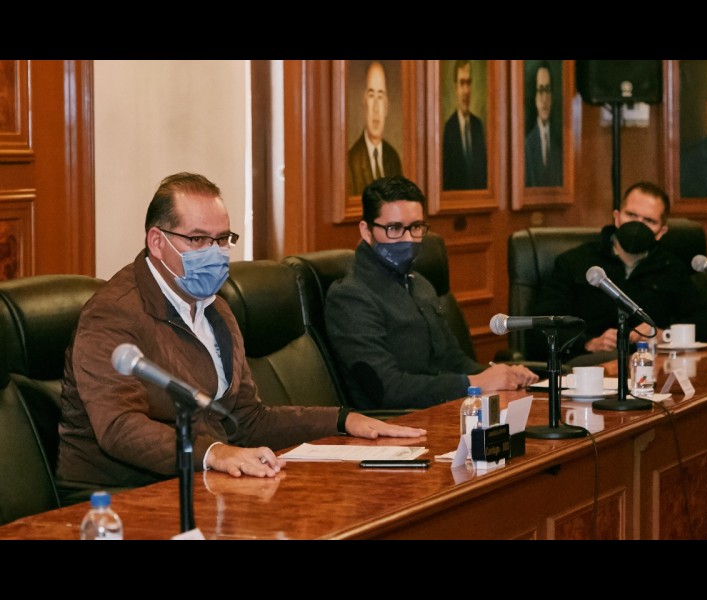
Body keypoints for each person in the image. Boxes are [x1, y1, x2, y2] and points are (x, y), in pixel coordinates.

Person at [56, 172, 425, 505]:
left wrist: (343, 420)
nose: (215, 253)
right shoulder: (112, 313)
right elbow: (119, 427)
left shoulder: (216, 307)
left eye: (222, 239)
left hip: (204, 482)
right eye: (198, 239)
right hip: (119, 496)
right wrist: (214, 453)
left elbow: (247, 419)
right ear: (157, 241)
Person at [324, 175, 537, 411]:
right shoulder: (350, 296)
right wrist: (473, 383)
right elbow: (388, 389)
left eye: (416, 227)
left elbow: (454, 361)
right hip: (396, 422)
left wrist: (503, 375)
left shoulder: (420, 284)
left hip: (446, 410)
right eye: (395, 228)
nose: (408, 239)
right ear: (366, 231)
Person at [526, 181, 707, 365]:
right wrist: (589, 343)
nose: (637, 225)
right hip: (589, 369)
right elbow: (541, 329)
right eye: (631, 215)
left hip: (650, 366)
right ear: (617, 218)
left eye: (648, 220)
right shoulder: (575, 262)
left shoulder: (669, 267)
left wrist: (663, 334)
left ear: (661, 232)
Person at [348, 61, 403, 196]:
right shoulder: (351, 162)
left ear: (386, 107)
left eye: (380, 96)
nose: (376, 108)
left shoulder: (393, 159)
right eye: (371, 96)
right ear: (364, 102)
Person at [442, 60, 488, 191]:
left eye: (468, 83)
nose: (466, 91)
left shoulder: (478, 126)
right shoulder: (449, 129)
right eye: (462, 83)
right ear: (455, 87)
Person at [525, 61, 562, 187]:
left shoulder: (560, 143)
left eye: (547, 90)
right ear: (534, 97)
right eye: (540, 90)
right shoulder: (527, 144)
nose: (545, 98)